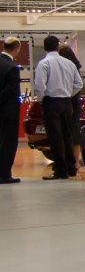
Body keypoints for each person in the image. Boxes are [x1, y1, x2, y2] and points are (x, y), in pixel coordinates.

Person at [34, 35, 82, 180]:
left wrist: (43, 99)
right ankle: (71, 168)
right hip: (67, 102)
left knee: (55, 137)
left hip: (52, 102)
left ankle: (60, 170)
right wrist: (68, 94)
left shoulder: (44, 63)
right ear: (57, 47)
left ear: (44, 47)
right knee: (67, 135)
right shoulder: (69, 64)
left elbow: (40, 85)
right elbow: (79, 84)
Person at [58, 45, 85, 168]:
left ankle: (73, 162)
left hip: (70, 102)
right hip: (75, 101)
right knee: (74, 131)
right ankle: (75, 161)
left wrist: (67, 94)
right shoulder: (75, 68)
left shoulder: (67, 68)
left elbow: (77, 85)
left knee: (70, 132)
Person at [0, 37, 22, 184]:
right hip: (8, 111)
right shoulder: (12, 67)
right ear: (16, 49)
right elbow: (11, 91)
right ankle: (5, 174)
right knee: (8, 142)